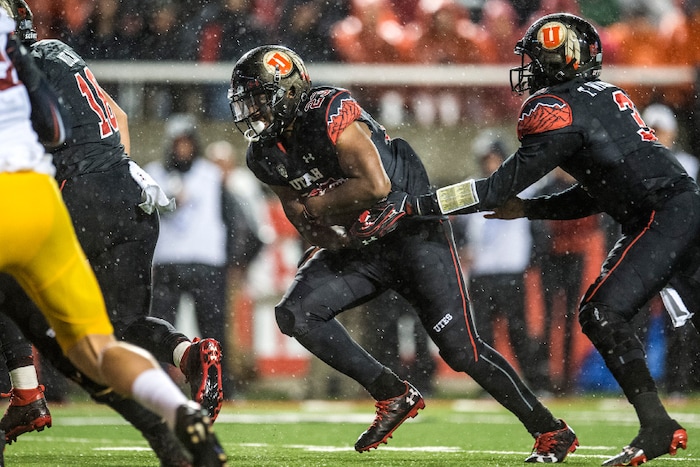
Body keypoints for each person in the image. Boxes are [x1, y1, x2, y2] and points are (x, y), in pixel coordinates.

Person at [227, 44, 577, 463]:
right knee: (296, 313)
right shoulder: (262, 155)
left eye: (260, 99)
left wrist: (320, 206)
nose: (253, 112)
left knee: (461, 351)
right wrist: (332, 241)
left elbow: (374, 186)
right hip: (363, 242)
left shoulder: (326, 110)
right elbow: (300, 218)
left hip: (412, 233)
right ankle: (392, 392)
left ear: (287, 90)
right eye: (247, 102)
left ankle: (549, 430)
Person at [399, 13, 693, 466]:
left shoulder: (554, 110)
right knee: (620, 315)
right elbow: (597, 190)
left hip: (662, 214)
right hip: (674, 209)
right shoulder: (604, 97)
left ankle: (656, 424)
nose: (531, 68)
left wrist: (416, 205)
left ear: (562, 62)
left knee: (602, 311)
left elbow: (495, 188)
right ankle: (655, 423)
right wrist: (532, 208)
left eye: (539, 59)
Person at [0, 2, 227, 466]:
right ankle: (187, 362)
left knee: (23, 299)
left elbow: (53, 134)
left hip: (66, 194)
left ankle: (26, 392)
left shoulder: (23, 67)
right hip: (130, 188)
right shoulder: (57, 51)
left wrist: (84, 190)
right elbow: (117, 118)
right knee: (115, 331)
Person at [145, 114, 240, 397]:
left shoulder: (212, 175)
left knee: (213, 330)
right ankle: (158, 386)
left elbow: (232, 219)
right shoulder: (153, 174)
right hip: (167, 262)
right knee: (161, 330)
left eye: (187, 143)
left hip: (205, 262)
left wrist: (234, 258)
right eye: (178, 143)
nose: (182, 149)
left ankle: (219, 386)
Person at [451, 136, 544, 392]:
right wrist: (462, 249)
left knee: (518, 332)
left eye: (492, 157)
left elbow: (538, 229)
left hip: (511, 270)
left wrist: (533, 259)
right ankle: (491, 383)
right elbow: (458, 227)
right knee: (483, 334)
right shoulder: (472, 188)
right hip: (482, 272)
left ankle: (536, 381)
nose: (489, 164)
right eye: (485, 159)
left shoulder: (523, 188)